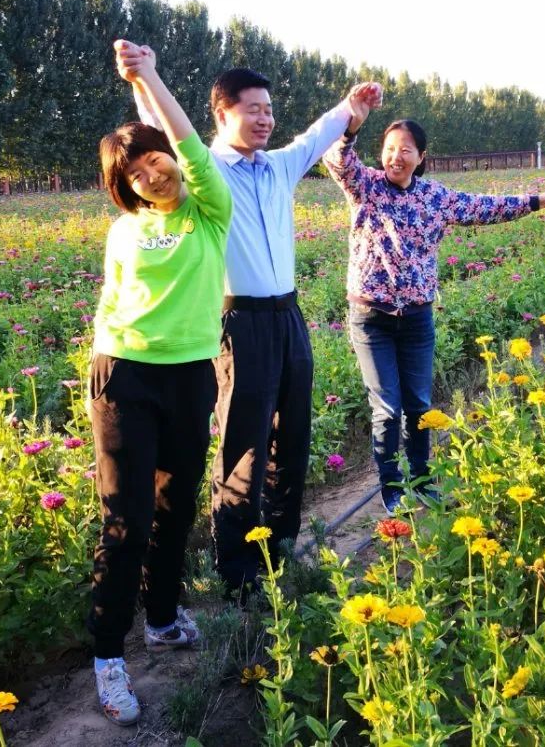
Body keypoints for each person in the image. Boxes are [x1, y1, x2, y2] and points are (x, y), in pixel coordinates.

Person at [116, 40, 382, 598]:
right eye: (252, 109)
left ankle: (278, 548)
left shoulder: (279, 167)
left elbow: (315, 137)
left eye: (268, 109)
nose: (265, 119)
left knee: (293, 436)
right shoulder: (204, 168)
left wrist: (349, 108)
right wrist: (144, 79)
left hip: (289, 318)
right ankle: (235, 567)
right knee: (243, 443)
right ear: (222, 114)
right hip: (238, 325)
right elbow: (164, 133)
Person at [88, 41, 232, 726]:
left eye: (155, 158)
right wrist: (103, 362)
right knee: (128, 518)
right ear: (125, 185)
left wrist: (146, 76)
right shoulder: (123, 230)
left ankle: (164, 617)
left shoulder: (209, 209)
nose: (151, 173)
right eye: (135, 171)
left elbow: (183, 135)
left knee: (176, 505)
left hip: (191, 375)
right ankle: (107, 654)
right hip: (125, 375)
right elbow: (113, 301)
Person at [323, 111, 545, 515]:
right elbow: (337, 160)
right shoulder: (365, 186)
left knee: (418, 404)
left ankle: (421, 479)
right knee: (386, 407)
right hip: (371, 318)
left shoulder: (436, 197)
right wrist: (350, 128)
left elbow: (485, 207)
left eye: (405, 150)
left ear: (421, 156)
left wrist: (533, 201)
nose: (395, 157)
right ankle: (393, 487)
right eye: (389, 149)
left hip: (416, 318)